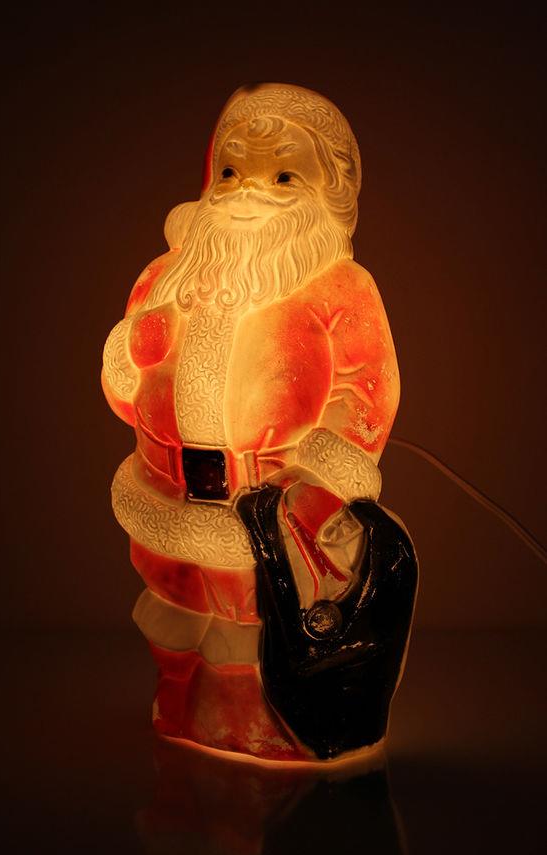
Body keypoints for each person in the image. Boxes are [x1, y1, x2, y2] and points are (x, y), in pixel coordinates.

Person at [102, 83, 416, 764]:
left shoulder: (341, 290)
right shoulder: (167, 276)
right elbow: (127, 383)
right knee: (174, 609)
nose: (248, 190)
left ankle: (254, 725)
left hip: (273, 509)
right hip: (168, 494)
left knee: (251, 624)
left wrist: (316, 486)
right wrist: (127, 362)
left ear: (328, 193)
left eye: (282, 176)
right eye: (231, 170)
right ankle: (178, 702)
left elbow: (367, 390)